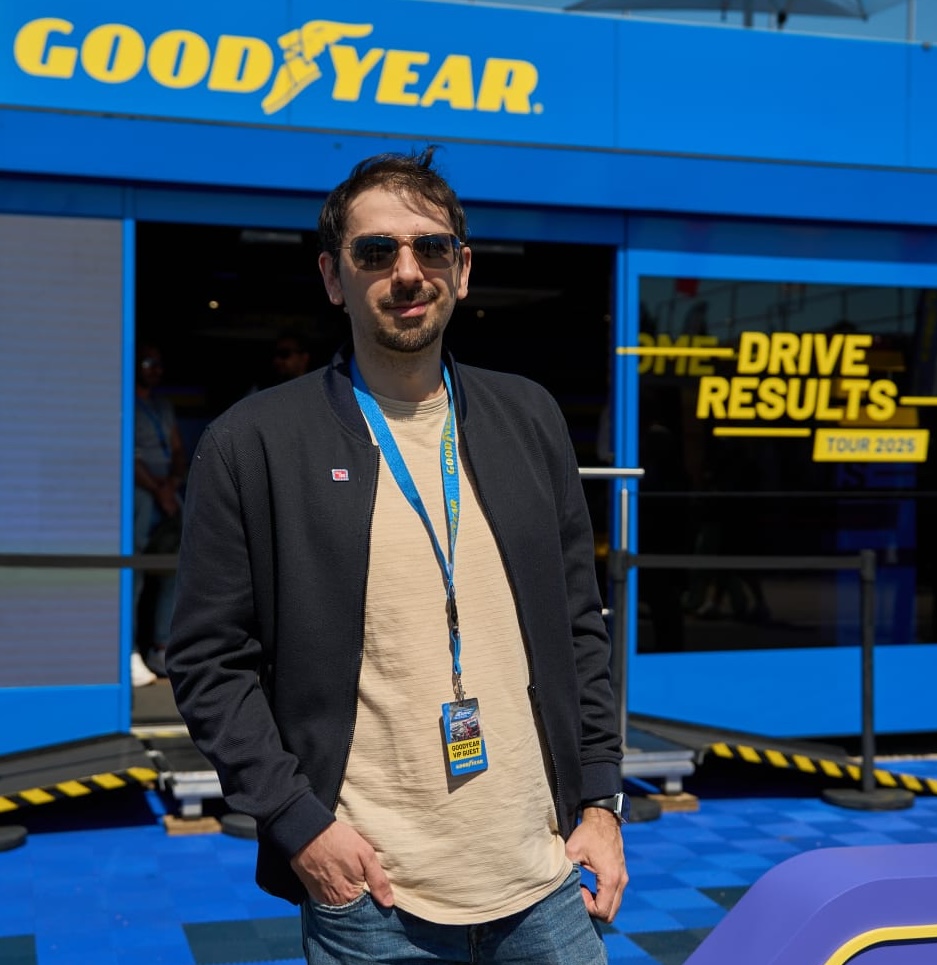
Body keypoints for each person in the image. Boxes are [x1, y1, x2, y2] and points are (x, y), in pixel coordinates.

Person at [166, 145, 628, 964]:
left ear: (463, 266)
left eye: (431, 247)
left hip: (545, 877)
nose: (407, 271)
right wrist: (297, 823)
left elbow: (579, 627)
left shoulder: (528, 417)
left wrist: (599, 802)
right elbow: (207, 659)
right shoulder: (256, 441)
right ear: (334, 277)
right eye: (376, 251)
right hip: (373, 897)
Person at [133, 341, 186, 686]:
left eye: (158, 362)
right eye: (147, 361)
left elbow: (178, 448)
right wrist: (157, 489)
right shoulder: (123, 402)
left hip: (168, 493)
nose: (154, 368)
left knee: (175, 568)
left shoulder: (162, 406)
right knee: (132, 574)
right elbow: (122, 452)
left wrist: (171, 484)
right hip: (137, 496)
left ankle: (161, 645)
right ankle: (127, 651)